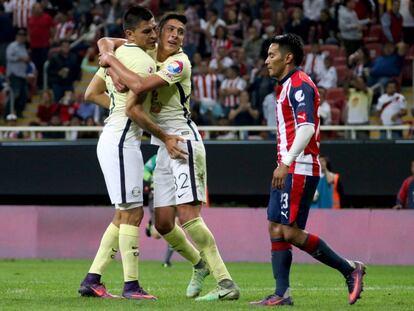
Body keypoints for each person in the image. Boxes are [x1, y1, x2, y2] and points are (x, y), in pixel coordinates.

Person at [98, 12, 240, 301]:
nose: (176, 36)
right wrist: (104, 50)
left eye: (181, 32)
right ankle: (199, 266)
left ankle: (225, 282)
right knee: (163, 223)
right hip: (165, 145)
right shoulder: (147, 51)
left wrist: (110, 62)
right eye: (170, 30)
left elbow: (138, 87)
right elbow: (107, 40)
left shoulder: (180, 62)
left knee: (188, 215)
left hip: (183, 141)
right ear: (157, 33)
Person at [78, 6, 185, 300]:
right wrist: (163, 135)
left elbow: (91, 93)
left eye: (154, 29)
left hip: (117, 138)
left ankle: (92, 279)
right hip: (122, 141)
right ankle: (131, 285)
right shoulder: (141, 60)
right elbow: (132, 109)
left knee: (122, 214)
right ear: (131, 34)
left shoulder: (121, 52)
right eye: (147, 31)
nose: (154, 34)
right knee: (133, 213)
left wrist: (107, 53)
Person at [250, 33, 365, 307]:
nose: (267, 61)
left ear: (288, 57)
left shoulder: (300, 84)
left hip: (298, 167)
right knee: (275, 228)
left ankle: (350, 269)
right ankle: (282, 294)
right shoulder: (286, 85)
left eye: (272, 55)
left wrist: (286, 162)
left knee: (288, 232)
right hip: (288, 166)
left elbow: (306, 127)